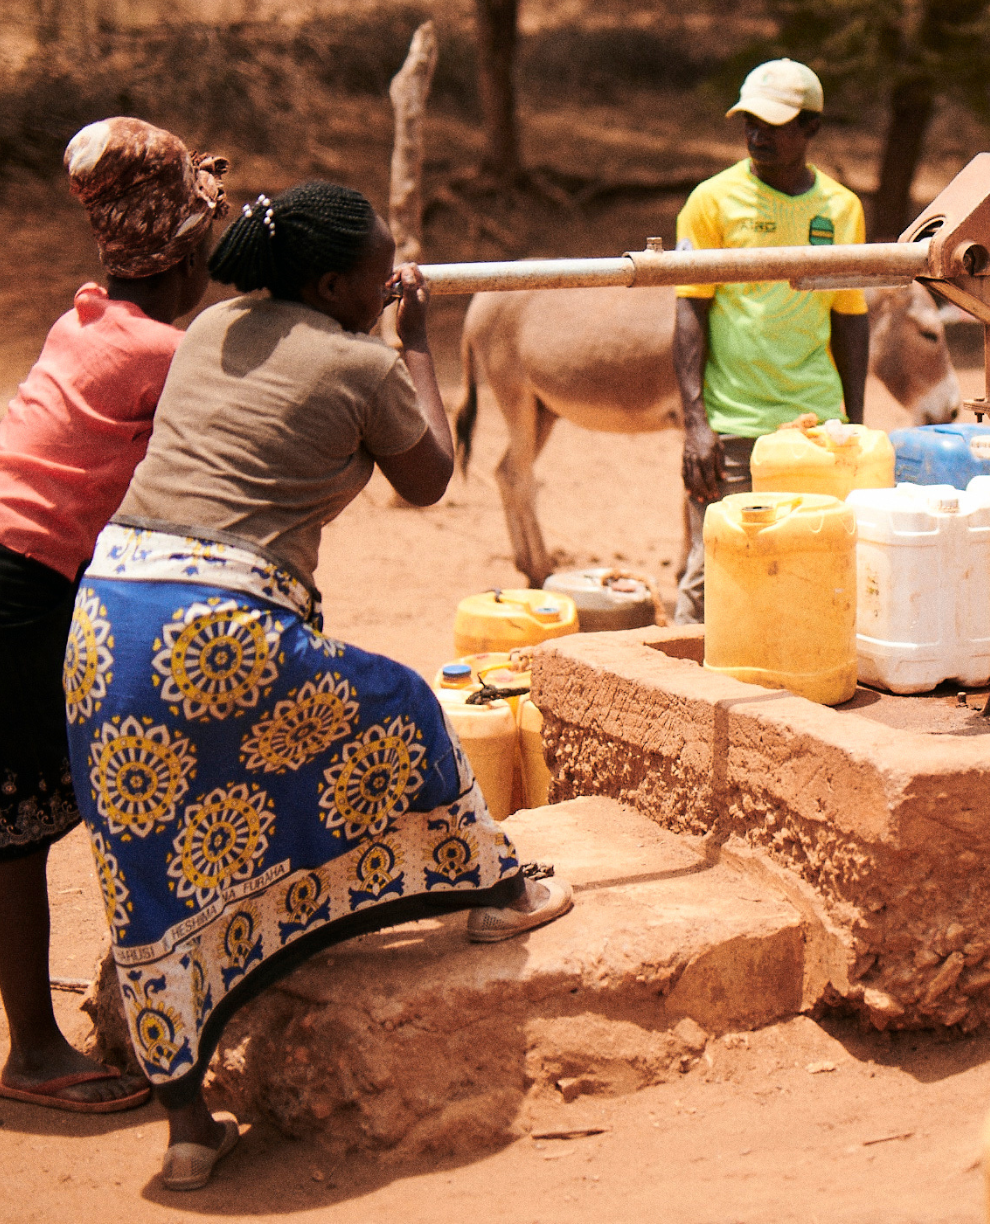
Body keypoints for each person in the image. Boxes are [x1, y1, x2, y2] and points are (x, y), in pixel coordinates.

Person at [65, 182, 573, 1190]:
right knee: (399, 706)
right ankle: (493, 889)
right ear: (337, 281)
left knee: (149, 855)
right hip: (216, 630)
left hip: (104, 622)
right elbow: (430, 479)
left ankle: (186, 1127)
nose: (390, 275)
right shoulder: (361, 361)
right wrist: (415, 336)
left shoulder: (213, 327)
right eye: (379, 266)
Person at [0, 117, 228, 1114]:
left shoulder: (88, 315)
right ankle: (35, 1055)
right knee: (21, 818)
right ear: (180, 256)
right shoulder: (163, 353)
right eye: (210, 243)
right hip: (19, 584)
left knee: (25, 811)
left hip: (19, 569)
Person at [673, 59, 869, 623]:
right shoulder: (711, 201)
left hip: (815, 430)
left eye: (773, 123)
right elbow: (690, 313)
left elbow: (850, 320)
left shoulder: (841, 209)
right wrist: (696, 425)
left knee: (814, 572)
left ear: (811, 128)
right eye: (748, 122)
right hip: (732, 430)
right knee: (712, 576)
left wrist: (851, 424)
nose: (757, 135)